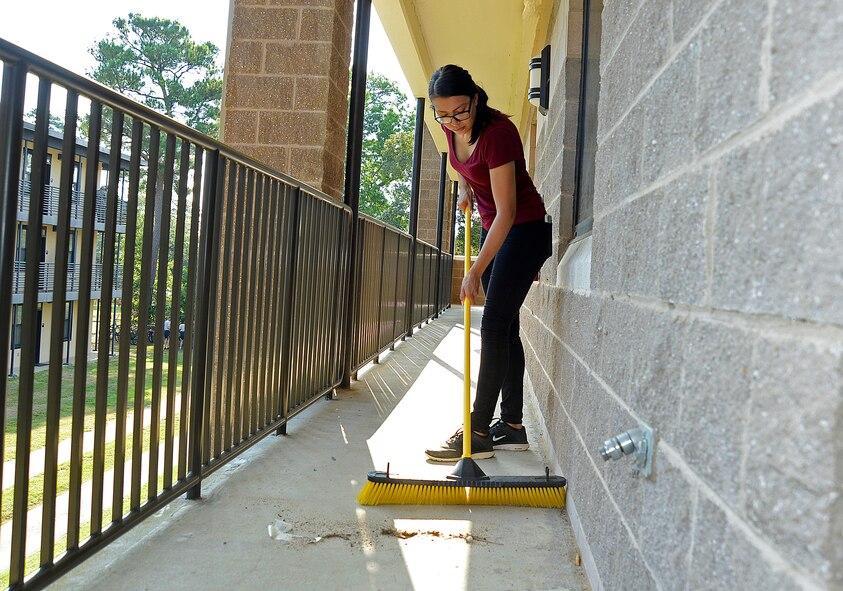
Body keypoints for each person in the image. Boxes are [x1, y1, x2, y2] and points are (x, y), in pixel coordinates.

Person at [425, 65, 552, 462]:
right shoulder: (451, 128)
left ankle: (478, 431)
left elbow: (509, 211)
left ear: (476, 99)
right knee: (505, 327)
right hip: (495, 227)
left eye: (460, 112)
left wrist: (475, 269)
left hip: (523, 230)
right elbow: (463, 164)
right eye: (442, 114)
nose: (452, 122)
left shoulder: (499, 135)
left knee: (494, 325)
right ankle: (512, 427)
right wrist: (465, 186)